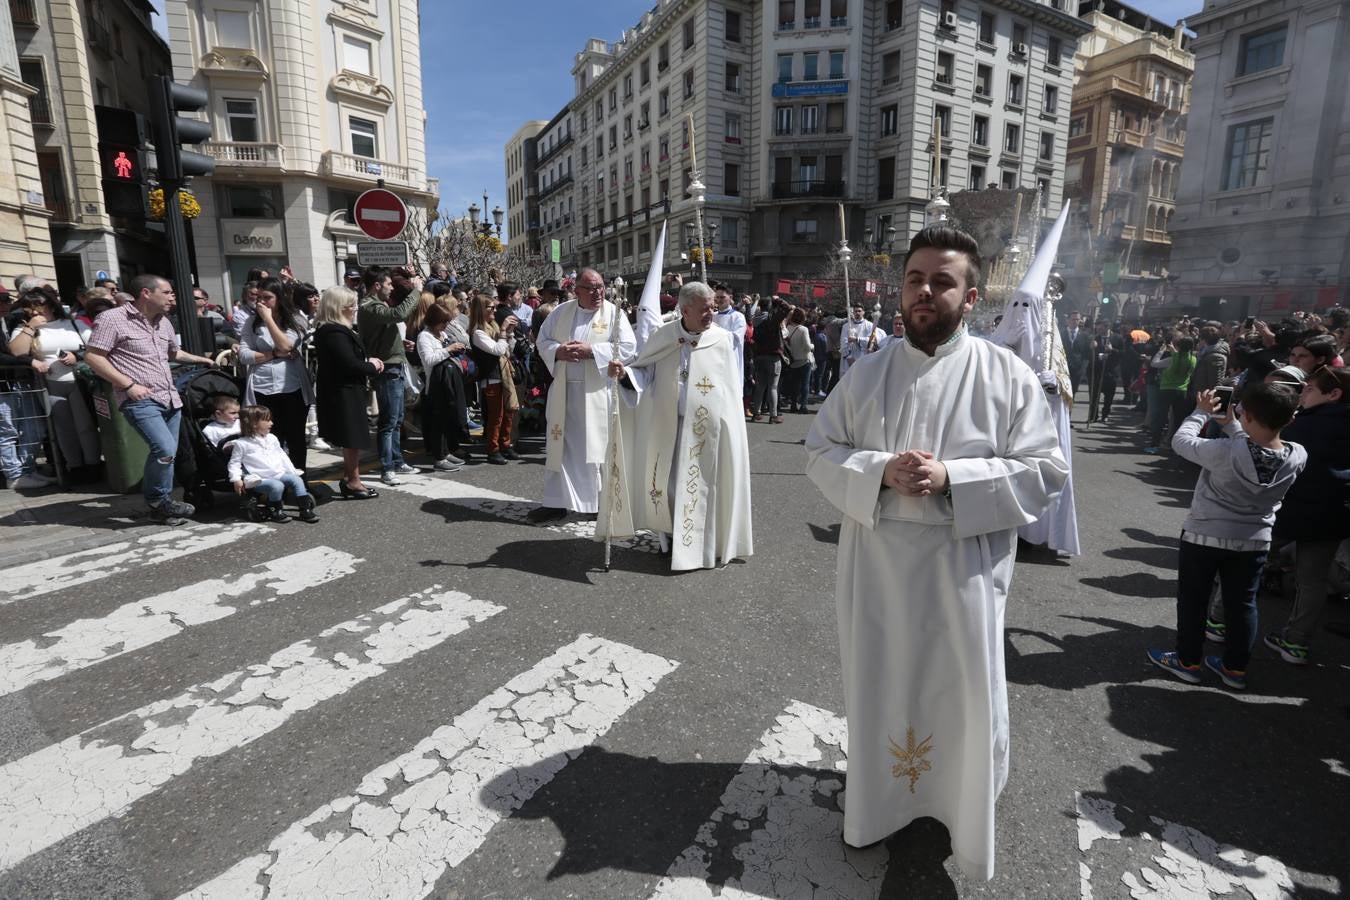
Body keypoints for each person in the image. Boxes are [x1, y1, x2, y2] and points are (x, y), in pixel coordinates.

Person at [804, 225, 1068, 880]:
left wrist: (956, 479)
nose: (926, 292)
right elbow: (820, 450)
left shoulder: (1006, 376)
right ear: (901, 291)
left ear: (970, 297)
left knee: (962, 692)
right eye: (916, 279)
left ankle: (959, 803)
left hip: (963, 573)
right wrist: (876, 471)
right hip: (880, 575)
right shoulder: (867, 373)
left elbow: (1045, 471)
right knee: (883, 684)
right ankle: (880, 804)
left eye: (942, 281)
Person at [1147, 384, 1306, 690]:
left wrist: (1201, 412)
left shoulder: (1224, 451)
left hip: (1204, 535)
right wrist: (1233, 426)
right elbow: (1257, 450)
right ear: (1290, 419)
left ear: (1247, 414)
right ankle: (1235, 668)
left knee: (1193, 600)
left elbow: (1182, 442)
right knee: (1243, 604)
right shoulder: (1297, 455)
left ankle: (1187, 661)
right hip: (1254, 540)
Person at [603, 281, 753, 571]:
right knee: (669, 485)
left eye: (712, 307)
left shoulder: (720, 339)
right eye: (704, 309)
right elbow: (643, 371)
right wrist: (623, 374)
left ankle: (705, 545)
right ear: (684, 310)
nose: (711, 313)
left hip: (709, 429)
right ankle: (670, 539)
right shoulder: (664, 337)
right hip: (669, 424)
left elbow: (731, 388)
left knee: (707, 485)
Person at [84, 275, 217, 525]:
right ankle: (159, 500)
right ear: (146, 293)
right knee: (164, 449)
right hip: (140, 398)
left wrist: (199, 359)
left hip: (169, 397)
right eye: (167, 292)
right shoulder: (113, 319)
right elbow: (93, 357)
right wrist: (128, 384)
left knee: (168, 452)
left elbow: (172, 352)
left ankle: (160, 507)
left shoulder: (163, 322)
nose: (172, 297)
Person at [1262, 366, 1350, 664]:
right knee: (1312, 580)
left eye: (1310, 389)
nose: (1303, 393)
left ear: (1333, 394)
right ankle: (1296, 643)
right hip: (1334, 513)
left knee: (1244, 559)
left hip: (1288, 509)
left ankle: (1218, 623)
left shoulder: (1304, 424)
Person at [534, 267, 635, 520]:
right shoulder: (561, 312)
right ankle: (555, 502)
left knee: (598, 448)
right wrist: (558, 351)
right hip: (565, 393)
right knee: (560, 448)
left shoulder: (614, 313)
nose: (597, 292)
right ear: (576, 290)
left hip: (597, 393)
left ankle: (599, 505)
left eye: (600, 286)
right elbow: (542, 340)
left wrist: (593, 351)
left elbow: (629, 348)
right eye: (590, 288)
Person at [5, 288, 101, 472]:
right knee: (63, 428)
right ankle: (75, 466)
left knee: (85, 425)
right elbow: (17, 351)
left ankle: (93, 464)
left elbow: (97, 347)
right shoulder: (25, 328)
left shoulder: (73, 324)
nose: (34, 311)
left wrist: (78, 356)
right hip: (49, 384)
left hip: (79, 381)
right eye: (28, 307)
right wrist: (31, 327)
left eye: (38, 306)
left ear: (50, 305)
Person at [313, 286, 384, 499]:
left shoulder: (335, 330)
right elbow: (348, 363)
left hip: (345, 389)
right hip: (343, 391)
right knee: (351, 438)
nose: (354, 308)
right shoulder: (333, 332)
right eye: (350, 305)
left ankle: (352, 479)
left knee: (351, 438)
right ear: (338, 307)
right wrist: (371, 366)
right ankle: (353, 480)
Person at [238, 277, 311, 475]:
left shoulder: (296, 319)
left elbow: (286, 345)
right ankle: (276, 482)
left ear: (280, 298)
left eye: (268, 298)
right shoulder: (251, 322)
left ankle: (299, 482)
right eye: (258, 298)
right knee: (271, 438)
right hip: (263, 388)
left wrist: (269, 319)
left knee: (295, 438)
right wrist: (273, 355)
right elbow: (244, 355)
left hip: (291, 388)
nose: (262, 303)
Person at [357, 266, 422, 484]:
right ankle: (387, 467)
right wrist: (415, 291)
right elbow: (399, 314)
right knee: (389, 420)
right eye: (388, 284)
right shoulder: (368, 305)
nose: (391, 287)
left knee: (397, 419)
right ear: (377, 286)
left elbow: (380, 333)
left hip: (394, 363)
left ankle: (397, 460)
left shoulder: (376, 305)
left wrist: (400, 345)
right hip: (386, 369)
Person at [228, 405, 318, 524]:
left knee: (297, 480)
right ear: (254, 424)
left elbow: (282, 455)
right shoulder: (242, 444)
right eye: (267, 420)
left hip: (277, 473)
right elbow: (234, 463)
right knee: (277, 486)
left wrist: (291, 470)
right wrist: (236, 479)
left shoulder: (272, 438)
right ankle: (276, 510)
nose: (271, 423)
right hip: (259, 478)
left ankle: (305, 509)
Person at [415, 301, 471, 471]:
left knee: (448, 419)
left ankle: (446, 452)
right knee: (437, 422)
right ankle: (439, 457)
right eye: (443, 322)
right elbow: (429, 360)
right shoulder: (424, 336)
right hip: (436, 385)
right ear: (434, 320)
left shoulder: (441, 334)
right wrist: (449, 349)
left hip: (449, 382)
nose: (446, 325)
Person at [469, 290, 520, 465]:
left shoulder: (494, 327)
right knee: (496, 415)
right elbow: (497, 350)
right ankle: (493, 449)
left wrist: (509, 333)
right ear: (480, 310)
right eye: (490, 308)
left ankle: (505, 445)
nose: (494, 311)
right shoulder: (478, 332)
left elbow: (506, 350)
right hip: (491, 378)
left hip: (504, 374)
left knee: (509, 412)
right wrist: (504, 330)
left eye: (494, 308)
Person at [750, 297, 789, 423]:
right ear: (770, 306)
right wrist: (778, 301)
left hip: (758, 356)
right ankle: (773, 415)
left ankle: (756, 413)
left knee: (760, 386)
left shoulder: (755, 320)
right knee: (773, 386)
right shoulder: (771, 319)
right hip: (772, 356)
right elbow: (787, 309)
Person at [711, 282, 747, 387]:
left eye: (722, 297)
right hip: (713, 361)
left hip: (730, 362)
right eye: (717, 297)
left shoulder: (738, 317)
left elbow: (735, 339)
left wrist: (715, 331)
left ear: (730, 297)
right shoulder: (712, 316)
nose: (719, 300)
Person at [781, 306, 814, 413]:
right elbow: (808, 346)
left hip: (792, 360)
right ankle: (803, 406)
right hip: (804, 360)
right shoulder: (803, 329)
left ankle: (793, 404)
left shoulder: (788, 328)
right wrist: (813, 346)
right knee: (805, 384)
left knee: (794, 384)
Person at [839, 303, 875, 378]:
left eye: (859, 311)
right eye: (855, 311)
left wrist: (857, 339)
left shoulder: (869, 325)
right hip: (849, 360)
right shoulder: (846, 326)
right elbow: (843, 342)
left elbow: (870, 340)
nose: (857, 313)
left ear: (863, 312)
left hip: (863, 358)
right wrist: (849, 356)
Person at [1062, 311, 1091, 396]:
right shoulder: (1061, 334)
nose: (1075, 321)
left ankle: (1069, 409)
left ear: (1080, 321)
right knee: (1062, 392)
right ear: (1068, 320)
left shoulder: (1085, 336)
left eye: (1077, 319)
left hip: (1077, 369)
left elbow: (1086, 354)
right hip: (1063, 368)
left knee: (1072, 392)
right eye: (1073, 319)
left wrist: (1083, 368)